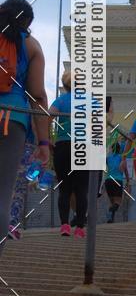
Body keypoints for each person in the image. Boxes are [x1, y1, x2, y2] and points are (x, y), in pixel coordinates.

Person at [0, 0, 49, 249]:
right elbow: (38, 95)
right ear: (27, 22)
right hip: (13, 121)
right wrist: (43, 142)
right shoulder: (30, 45)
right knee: (3, 196)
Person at [49, 71, 90, 238]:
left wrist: (47, 140)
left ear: (65, 85)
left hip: (63, 145)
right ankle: (80, 227)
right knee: (82, 189)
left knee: (64, 189)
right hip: (83, 146)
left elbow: (47, 117)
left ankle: (65, 225)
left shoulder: (61, 100)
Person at [104, 137, 128, 222]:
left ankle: (111, 218)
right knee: (118, 202)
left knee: (112, 202)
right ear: (119, 149)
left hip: (108, 180)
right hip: (118, 180)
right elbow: (125, 169)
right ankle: (110, 212)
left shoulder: (108, 158)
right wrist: (128, 181)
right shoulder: (122, 158)